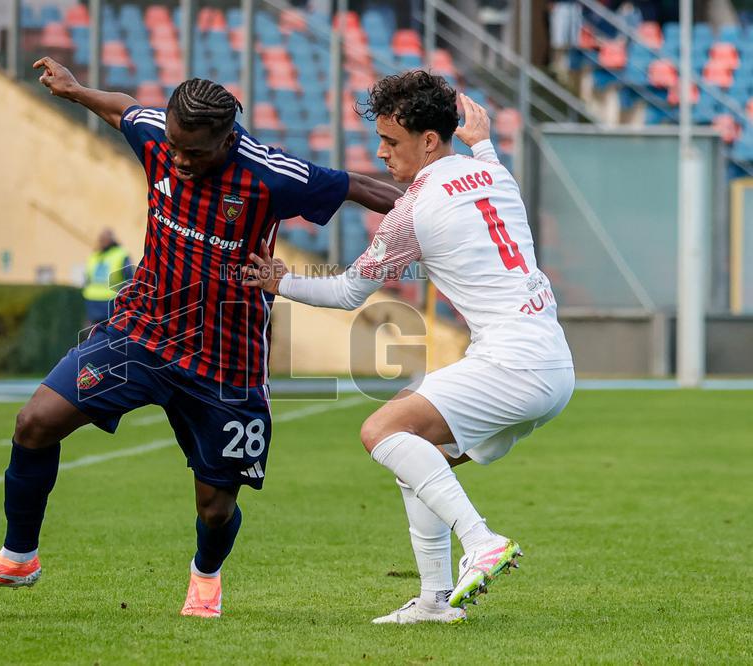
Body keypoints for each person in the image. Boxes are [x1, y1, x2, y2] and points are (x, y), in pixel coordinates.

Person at [0, 57, 402, 618]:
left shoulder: (271, 174)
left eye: (193, 152)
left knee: (215, 507)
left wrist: (440, 214)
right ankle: (19, 556)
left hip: (226, 360)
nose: (178, 160)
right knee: (35, 422)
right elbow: (125, 110)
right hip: (141, 332)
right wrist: (76, 91)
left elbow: (360, 186)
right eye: (174, 147)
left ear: (227, 138)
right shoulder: (159, 136)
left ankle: (205, 575)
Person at [243, 72, 575, 624]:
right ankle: (433, 601)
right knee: (418, 455)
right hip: (552, 364)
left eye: (391, 140)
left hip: (512, 365)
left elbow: (347, 292)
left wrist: (282, 281)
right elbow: (485, 157)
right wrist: (481, 139)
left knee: (380, 430)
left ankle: (481, 541)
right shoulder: (496, 174)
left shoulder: (413, 210)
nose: (381, 152)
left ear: (429, 140)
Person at [82, 228, 133, 327]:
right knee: (97, 332)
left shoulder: (120, 254)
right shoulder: (95, 255)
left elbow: (129, 279)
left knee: (106, 330)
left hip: (110, 301)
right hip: (94, 301)